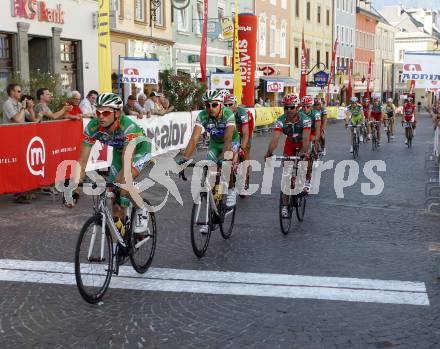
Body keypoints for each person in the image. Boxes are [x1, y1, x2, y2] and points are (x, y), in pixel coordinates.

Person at [65, 93, 152, 235]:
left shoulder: (128, 127)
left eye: (105, 112)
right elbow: (82, 161)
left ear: (117, 113)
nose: (100, 116)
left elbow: (126, 161)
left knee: (122, 185)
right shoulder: (93, 127)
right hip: (119, 152)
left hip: (139, 150)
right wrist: (74, 190)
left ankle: (142, 209)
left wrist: (121, 184)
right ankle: (119, 241)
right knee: (115, 203)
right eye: (97, 112)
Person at [178, 90, 240, 217]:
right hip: (215, 144)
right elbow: (194, 139)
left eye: (214, 105)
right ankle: (212, 209)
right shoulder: (202, 116)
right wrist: (185, 159)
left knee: (227, 164)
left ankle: (232, 189)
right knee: (210, 170)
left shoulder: (228, 115)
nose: (210, 108)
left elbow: (228, 139)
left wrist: (224, 158)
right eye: (207, 105)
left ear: (221, 105)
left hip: (231, 142)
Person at [265, 93, 311, 218]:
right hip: (290, 144)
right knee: (286, 174)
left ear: (297, 108)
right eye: (286, 107)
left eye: (291, 107)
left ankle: (304, 181)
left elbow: (306, 138)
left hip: (303, 143)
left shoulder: (305, 119)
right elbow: (275, 138)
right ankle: (285, 205)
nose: (289, 110)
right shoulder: (281, 120)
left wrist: (303, 152)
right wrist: (269, 153)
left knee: (305, 160)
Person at [224, 94, 254, 192]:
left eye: (230, 104)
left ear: (236, 104)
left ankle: (245, 176)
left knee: (245, 149)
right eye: (225, 105)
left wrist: (242, 147)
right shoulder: (224, 114)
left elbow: (245, 134)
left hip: (245, 126)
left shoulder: (242, 113)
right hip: (234, 129)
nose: (227, 107)